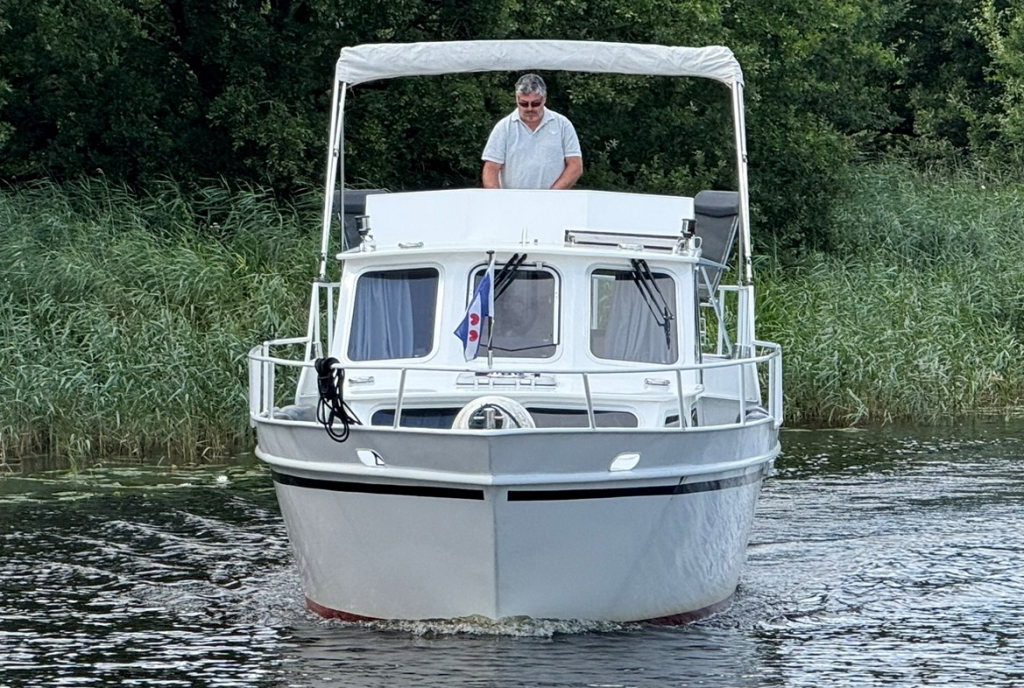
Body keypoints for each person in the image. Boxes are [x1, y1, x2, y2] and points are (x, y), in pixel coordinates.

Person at [481, 74, 583, 190]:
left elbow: (575, 165)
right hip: (513, 199)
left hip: (553, 198)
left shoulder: (563, 125)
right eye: (524, 104)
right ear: (517, 98)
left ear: (544, 98)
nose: (529, 109)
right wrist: (497, 197)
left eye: (535, 103)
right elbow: (491, 168)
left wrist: (553, 194)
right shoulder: (503, 128)